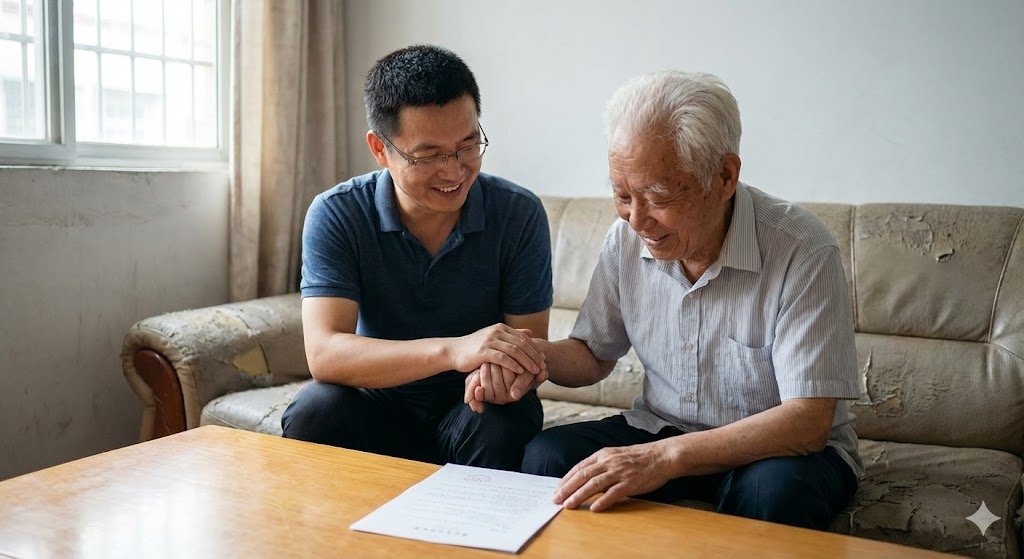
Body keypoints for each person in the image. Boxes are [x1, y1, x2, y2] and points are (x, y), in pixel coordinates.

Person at [466, 71, 861, 529]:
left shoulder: (802, 250)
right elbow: (593, 355)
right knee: (548, 458)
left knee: (774, 495)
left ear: (725, 176)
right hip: (663, 428)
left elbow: (806, 423)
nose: (637, 219)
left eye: (657, 196)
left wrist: (662, 458)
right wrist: (525, 355)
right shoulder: (626, 240)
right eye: (621, 194)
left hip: (777, 450)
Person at [282, 45, 551, 471]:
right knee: (317, 407)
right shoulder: (338, 212)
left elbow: (528, 346)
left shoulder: (518, 213)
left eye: (468, 145)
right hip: (379, 406)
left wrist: (507, 373)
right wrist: (451, 351)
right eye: (428, 156)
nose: (455, 170)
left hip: (473, 406)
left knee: (504, 418)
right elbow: (325, 353)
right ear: (379, 148)